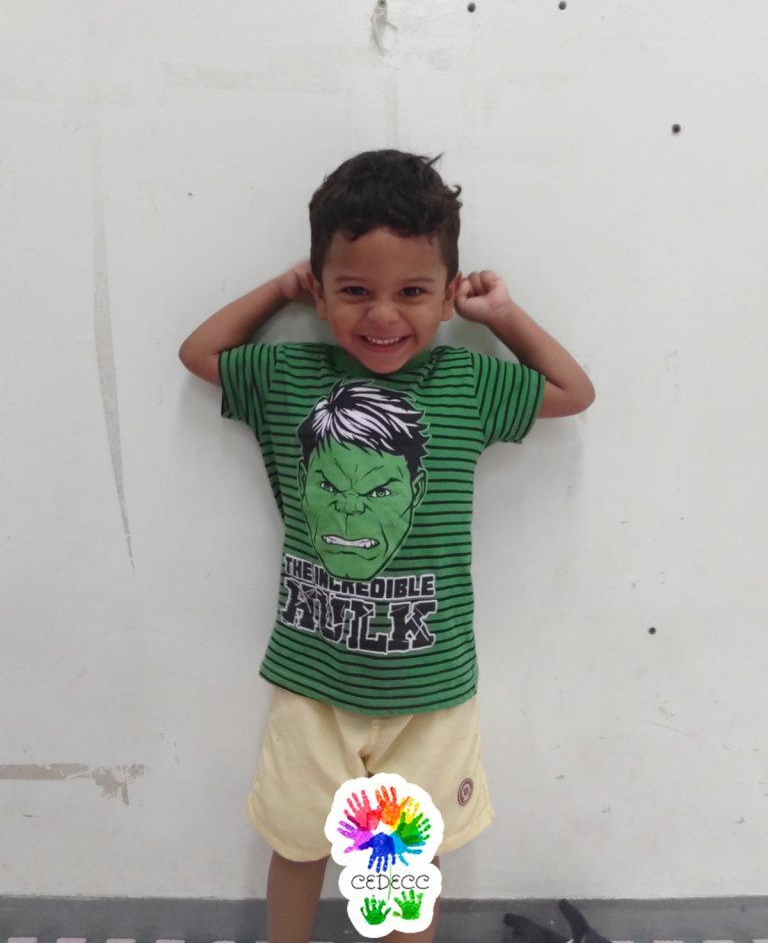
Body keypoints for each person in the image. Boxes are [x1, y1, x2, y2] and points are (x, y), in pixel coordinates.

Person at [179, 149, 595, 943]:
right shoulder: (290, 375)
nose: (382, 316)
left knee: (400, 864)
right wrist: (279, 290)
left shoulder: (466, 383)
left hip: (429, 693)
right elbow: (199, 355)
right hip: (313, 680)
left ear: (447, 295)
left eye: (411, 292)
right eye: (354, 291)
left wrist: (501, 316)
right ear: (322, 290)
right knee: (298, 842)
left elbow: (574, 393)